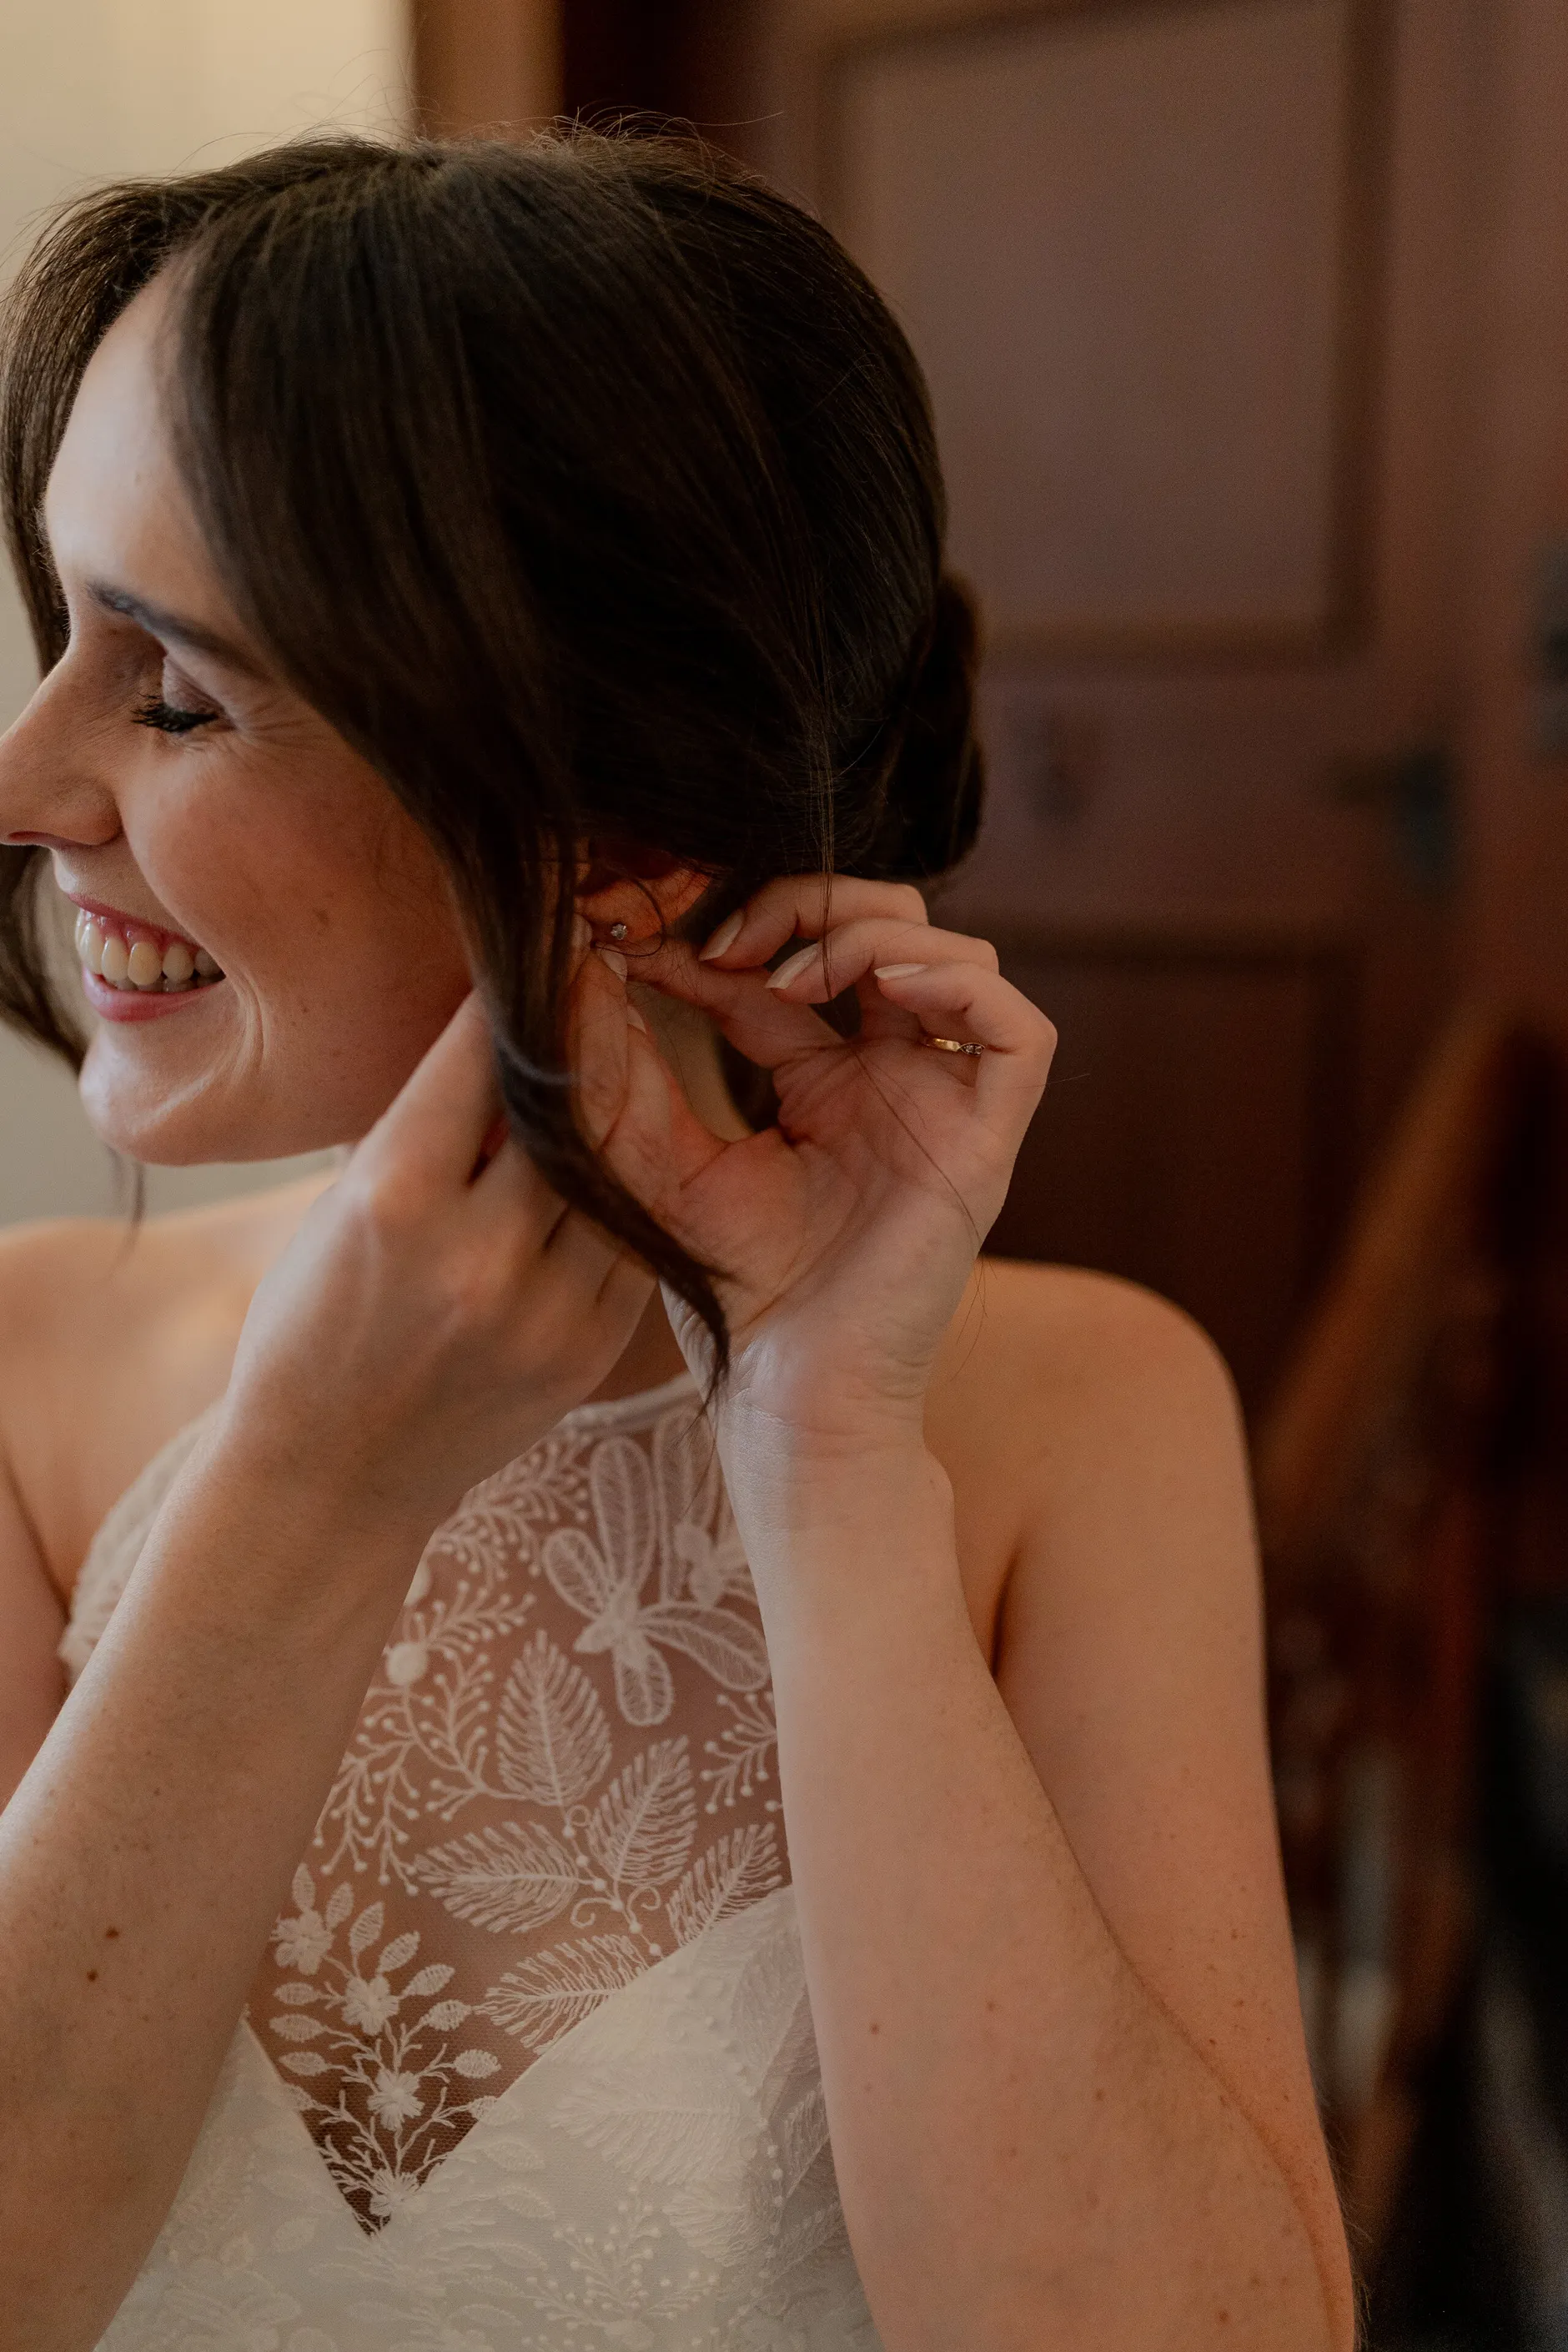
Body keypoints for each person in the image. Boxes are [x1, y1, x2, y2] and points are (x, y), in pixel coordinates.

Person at [0, 130, 1351, 2351]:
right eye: (62, 633)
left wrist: (829, 1450)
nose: (27, 782)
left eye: (169, 688)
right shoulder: (30, 1377)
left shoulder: (1086, 1412)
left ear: (612, 827)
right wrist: (308, 1484)